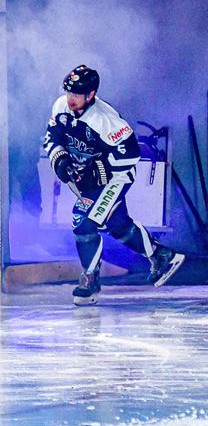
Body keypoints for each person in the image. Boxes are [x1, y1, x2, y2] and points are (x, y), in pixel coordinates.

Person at [43, 65, 185, 305]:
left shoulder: (106, 121)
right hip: (89, 180)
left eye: (77, 94)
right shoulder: (61, 107)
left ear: (90, 95)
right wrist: (61, 160)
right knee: (117, 224)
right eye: (68, 92)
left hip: (115, 179)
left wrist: (96, 169)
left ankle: (89, 279)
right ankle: (162, 256)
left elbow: (131, 155)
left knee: (83, 221)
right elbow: (51, 137)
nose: (70, 99)